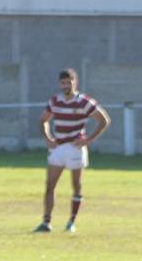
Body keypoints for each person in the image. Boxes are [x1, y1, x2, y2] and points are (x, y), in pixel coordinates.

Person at [36, 69, 109, 234]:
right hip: (59, 147)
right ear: (59, 84)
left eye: (69, 82)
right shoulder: (55, 101)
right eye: (63, 83)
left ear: (75, 82)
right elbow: (43, 120)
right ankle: (46, 222)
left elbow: (104, 120)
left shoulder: (84, 101)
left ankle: (71, 222)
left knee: (76, 186)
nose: (66, 85)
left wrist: (89, 139)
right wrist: (48, 138)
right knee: (50, 186)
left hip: (75, 148)